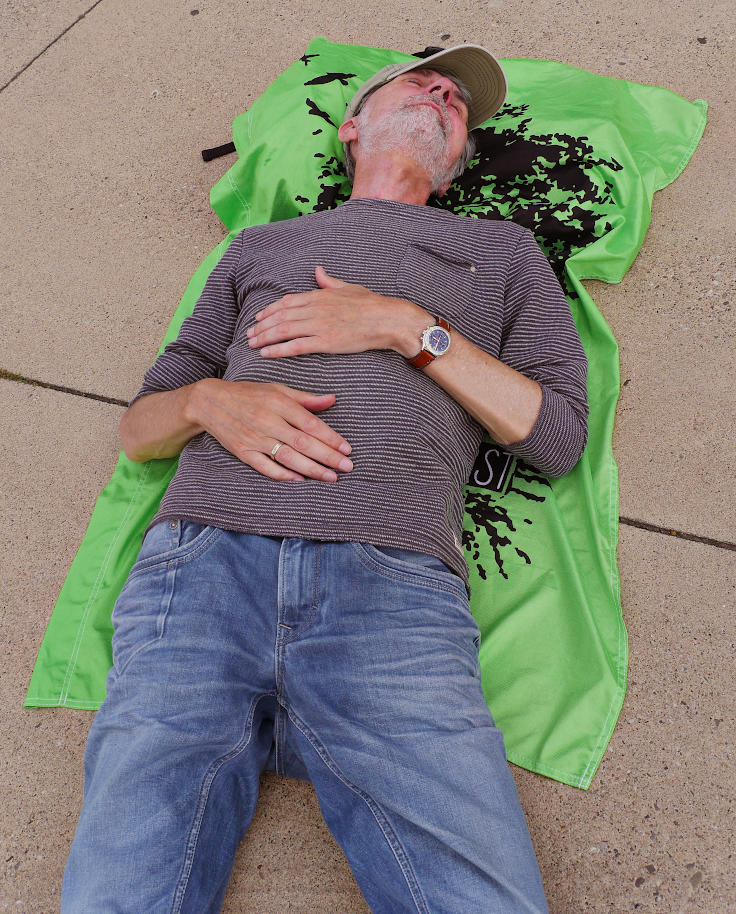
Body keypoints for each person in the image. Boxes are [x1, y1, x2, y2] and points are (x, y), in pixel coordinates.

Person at [61, 45, 588, 914]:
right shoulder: (261, 245)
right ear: (352, 126)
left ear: (457, 163)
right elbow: (139, 430)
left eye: (458, 103)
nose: (444, 91)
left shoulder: (502, 253)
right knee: (120, 890)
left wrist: (408, 327)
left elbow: (559, 436)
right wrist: (206, 400)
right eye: (421, 79)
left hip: (391, 586)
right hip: (201, 567)